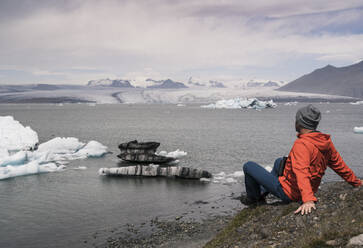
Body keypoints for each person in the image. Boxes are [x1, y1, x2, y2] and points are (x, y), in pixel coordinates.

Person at [241, 104, 362, 215]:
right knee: (279, 162)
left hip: (289, 193)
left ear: (300, 122)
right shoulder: (325, 141)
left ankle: (254, 200)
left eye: (296, 119)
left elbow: (301, 172)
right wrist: (357, 183)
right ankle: (262, 191)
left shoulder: (302, 144)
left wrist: (308, 199)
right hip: (308, 187)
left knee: (249, 166)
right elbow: (340, 166)